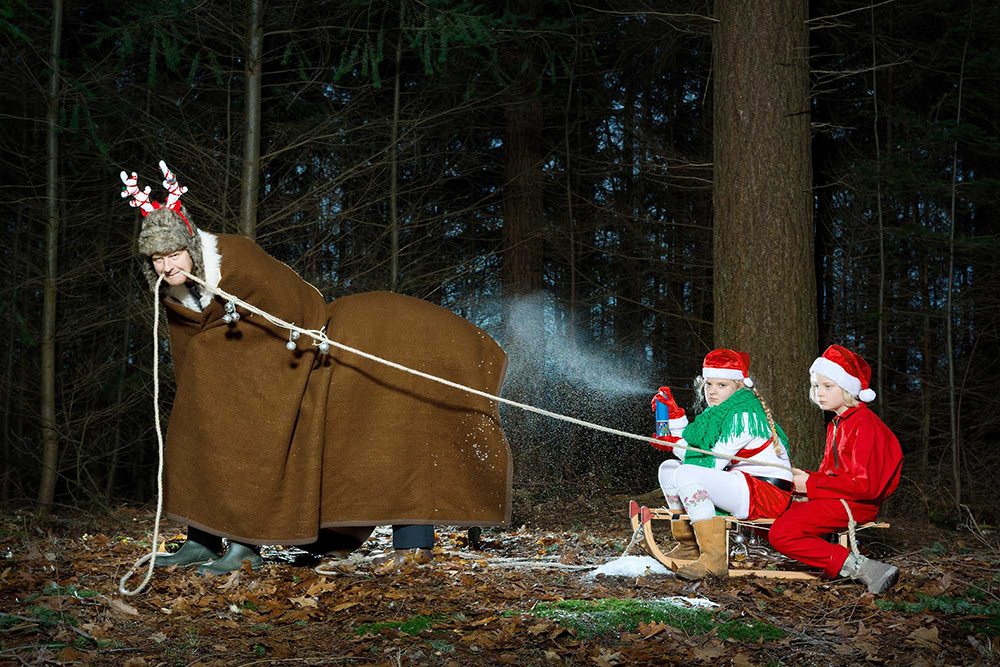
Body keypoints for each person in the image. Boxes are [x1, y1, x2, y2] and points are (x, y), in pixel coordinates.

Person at [123, 162, 512, 575]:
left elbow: (299, 309)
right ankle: (202, 538)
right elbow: (201, 360)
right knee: (199, 429)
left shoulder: (236, 263)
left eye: (172, 254)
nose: (166, 268)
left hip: (313, 355)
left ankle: (251, 544)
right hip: (261, 370)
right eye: (157, 260)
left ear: (192, 248)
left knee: (389, 436)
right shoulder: (176, 293)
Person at [768, 345, 902, 594]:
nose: (819, 393)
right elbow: (833, 474)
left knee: (782, 533)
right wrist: (805, 481)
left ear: (848, 389)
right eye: (817, 386)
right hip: (838, 497)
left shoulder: (864, 423)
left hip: (857, 503)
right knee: (772, 506)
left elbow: (866, 486)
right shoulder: (837, 423)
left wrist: (811, 485)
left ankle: (865, 568)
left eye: (828, 386)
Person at [651, 349, 793, 580]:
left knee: (686, 473)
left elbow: (712, 462)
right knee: (668, 469)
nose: (713, 391)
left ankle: (713, 558)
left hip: (766, 492)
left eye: (721, 385)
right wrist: (673, 420)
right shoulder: (717, 413)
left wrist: (672, 444)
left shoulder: (744, 415)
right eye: (709, 384)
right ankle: (689, 544)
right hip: (743, 483)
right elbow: (694, 445)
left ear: (739, 386)